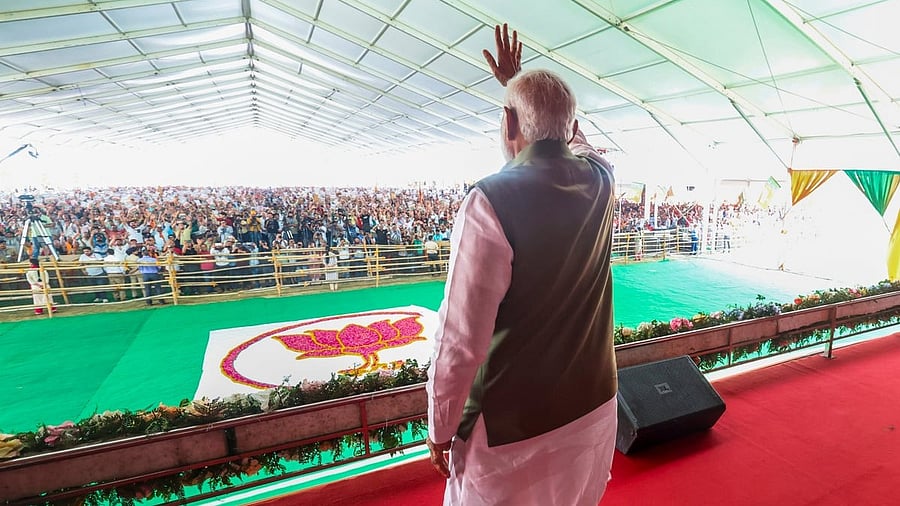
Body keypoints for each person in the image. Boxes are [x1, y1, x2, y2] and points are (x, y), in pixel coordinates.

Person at [425, 24, 618, 506]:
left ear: (508, 124)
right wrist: (518, 87)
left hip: (510, 433)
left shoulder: (487, 201)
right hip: (594, 410)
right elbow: (582, 139)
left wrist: (440, 427)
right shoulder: (603, 179)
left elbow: (459, 341)